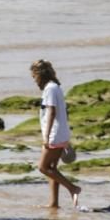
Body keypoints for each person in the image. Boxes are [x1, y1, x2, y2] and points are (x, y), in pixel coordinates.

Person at [31, 59, 80, 208]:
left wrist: (46, 136)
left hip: (54, 134)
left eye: (34, 76)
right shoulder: (56, 87)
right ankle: (54, 203)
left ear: (40, 75)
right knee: (52, 168)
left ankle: (73, 188)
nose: (34, 80)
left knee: (43, 168)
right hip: (60, 133)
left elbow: (52, 112)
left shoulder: (50, 89)